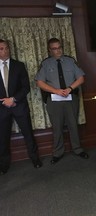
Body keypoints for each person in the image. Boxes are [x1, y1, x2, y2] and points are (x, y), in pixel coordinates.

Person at [35, 38, 88, 164]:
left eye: (59, 47)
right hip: (54, 100)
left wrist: (70, 88)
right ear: (49, 50)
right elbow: (39, 82)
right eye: (54, 48)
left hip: (71, 98)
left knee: (73, 125)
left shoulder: (70, 61)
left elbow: (81, 78)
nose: (58, 50)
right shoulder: (46, 63)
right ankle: (58, 152)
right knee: (57, 127)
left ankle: (78, 149)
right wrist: (55, 90)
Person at [0, 39, 42, 175]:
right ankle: (4, 164)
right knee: (3, 137)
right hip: (2, 108)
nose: (5, 51)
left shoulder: (19, 65)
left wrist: (13, 99)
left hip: (19, 106)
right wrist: (4, 101)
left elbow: (26, 87)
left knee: (28, 133)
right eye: (1, 49)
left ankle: (35, 159)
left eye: (6, 48)